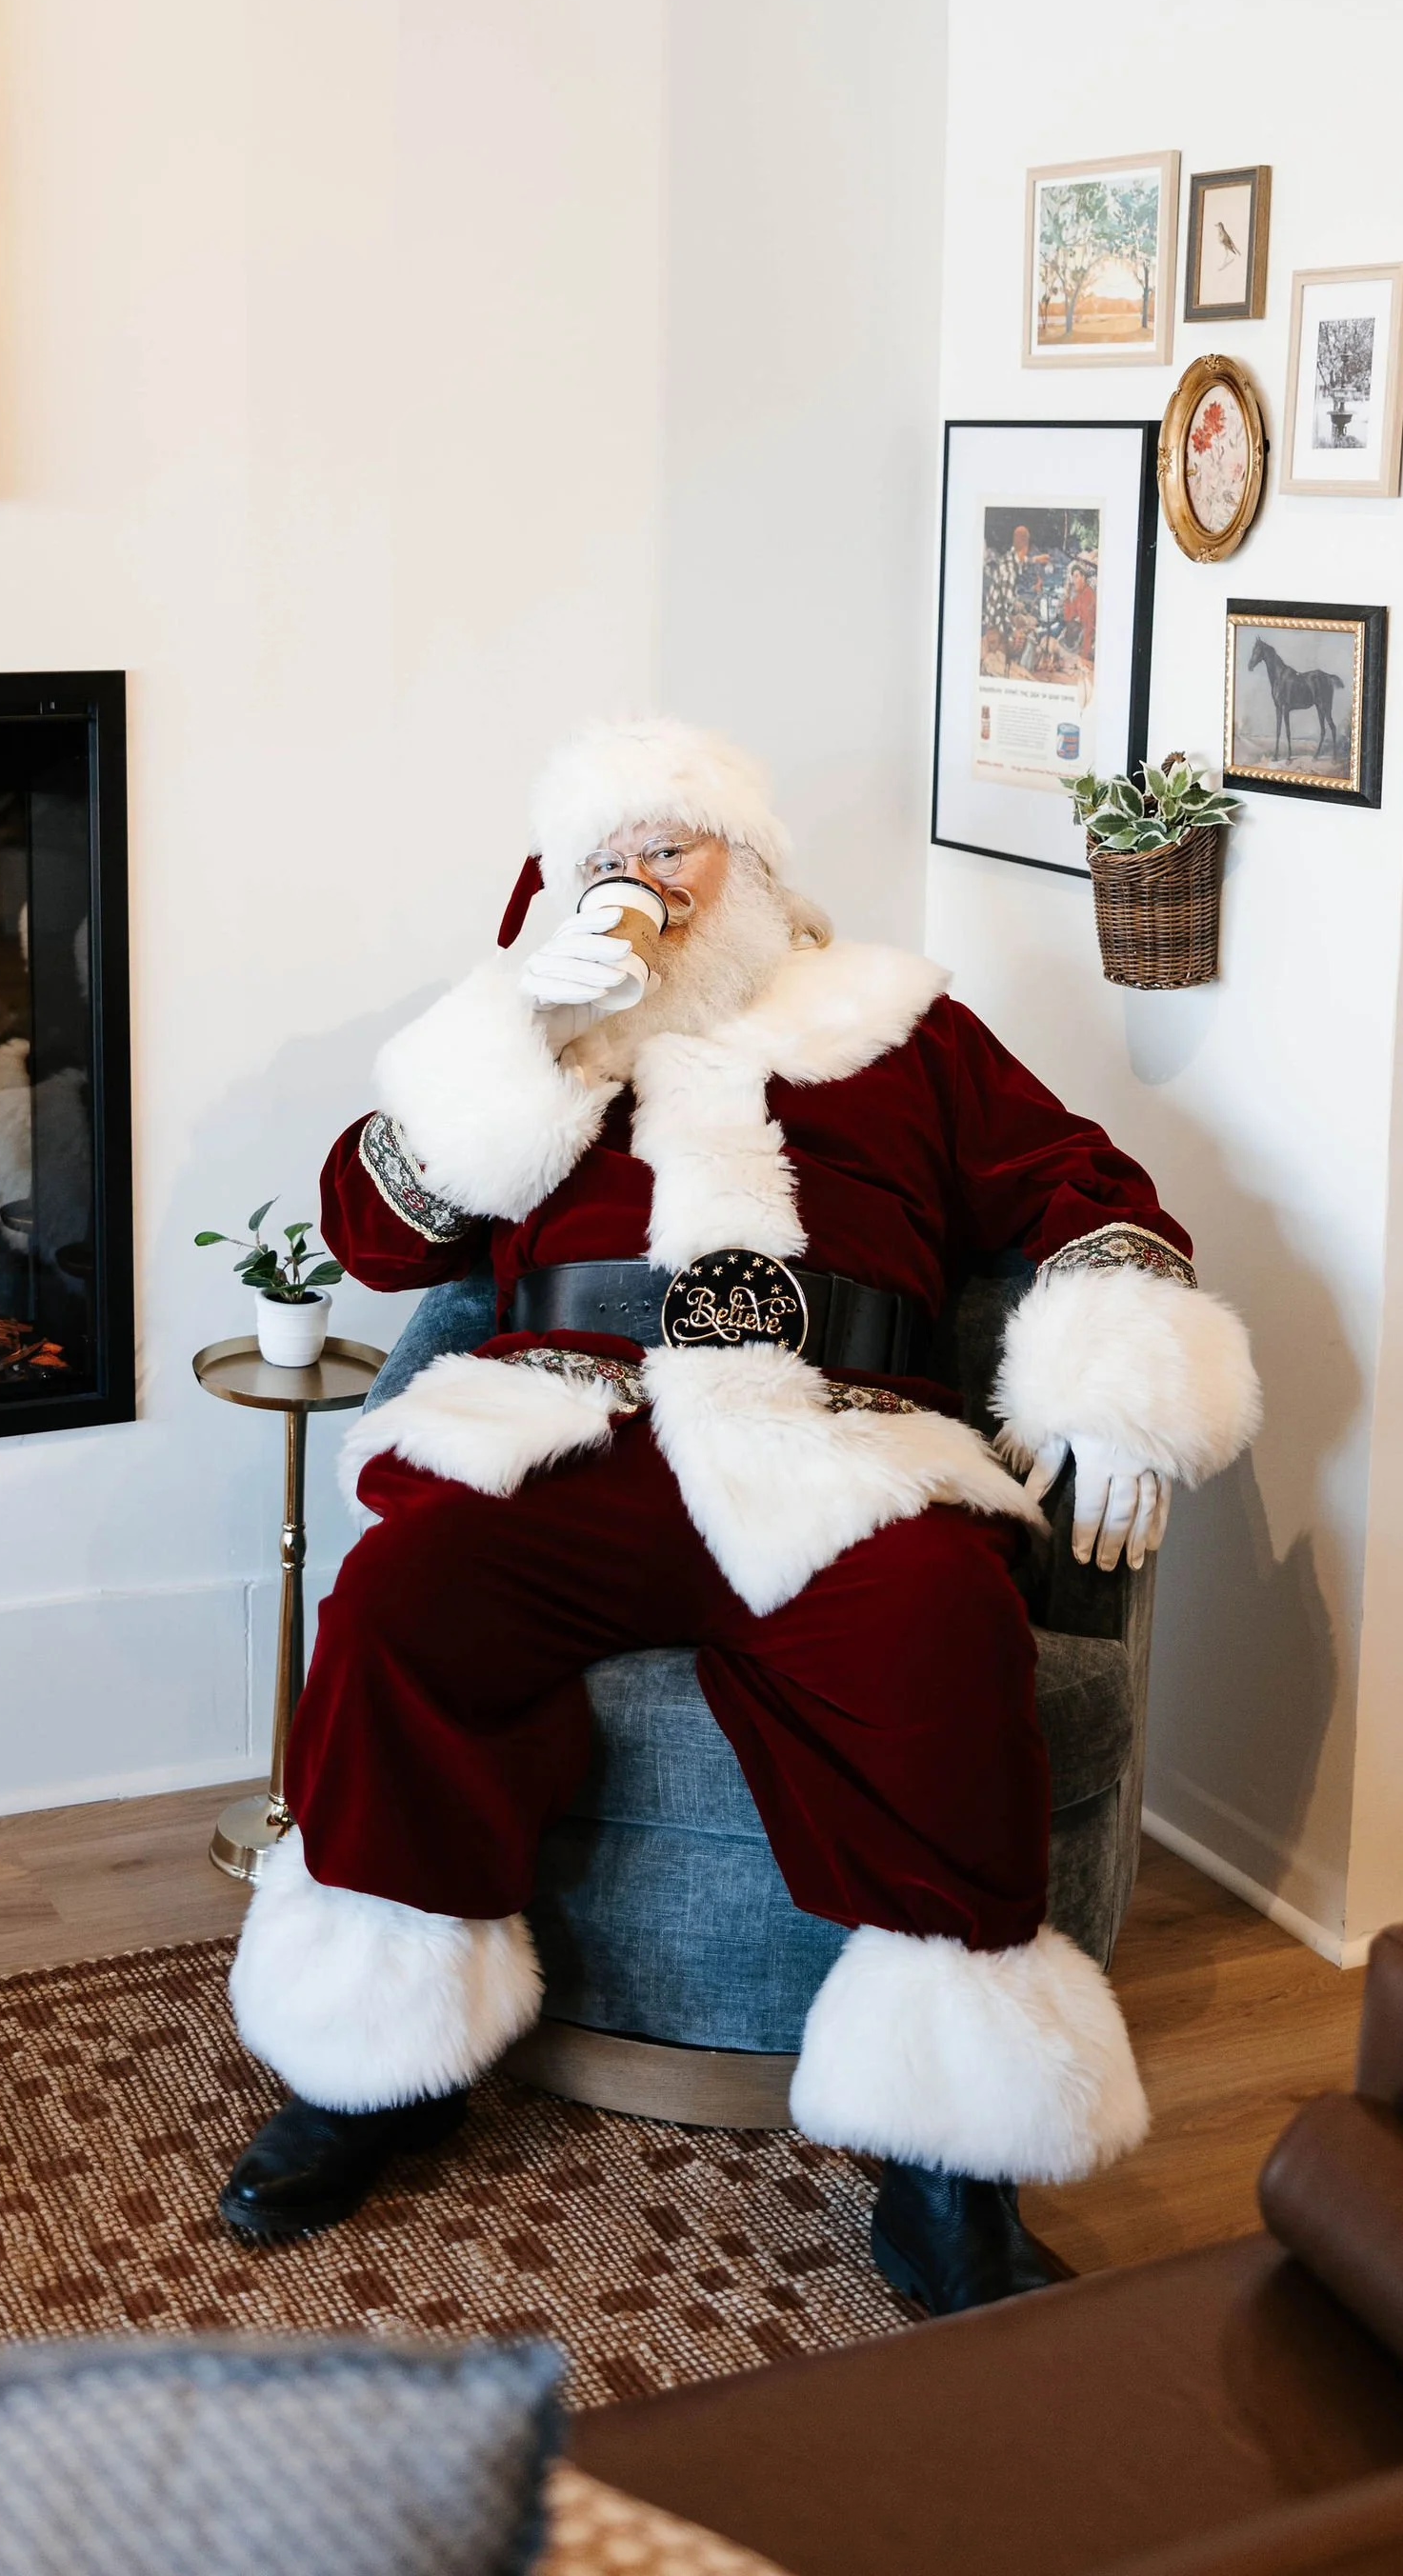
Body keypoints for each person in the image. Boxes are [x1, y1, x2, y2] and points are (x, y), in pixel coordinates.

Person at [219, 719, 1260, 2309]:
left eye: (675, 839)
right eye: (613, 848)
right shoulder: (531, 1027)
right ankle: (384, 2065)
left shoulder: (902, 1029)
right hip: (574, 1419)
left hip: (828, 1432)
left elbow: (1089, 1186)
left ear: (754, 868)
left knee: (937, 1628)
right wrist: (522, 1032)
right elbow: (369, 1235)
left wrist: (1121, 1373)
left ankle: (948, 2163)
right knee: (403, 1602)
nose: (647, 872)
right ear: (563, 882)